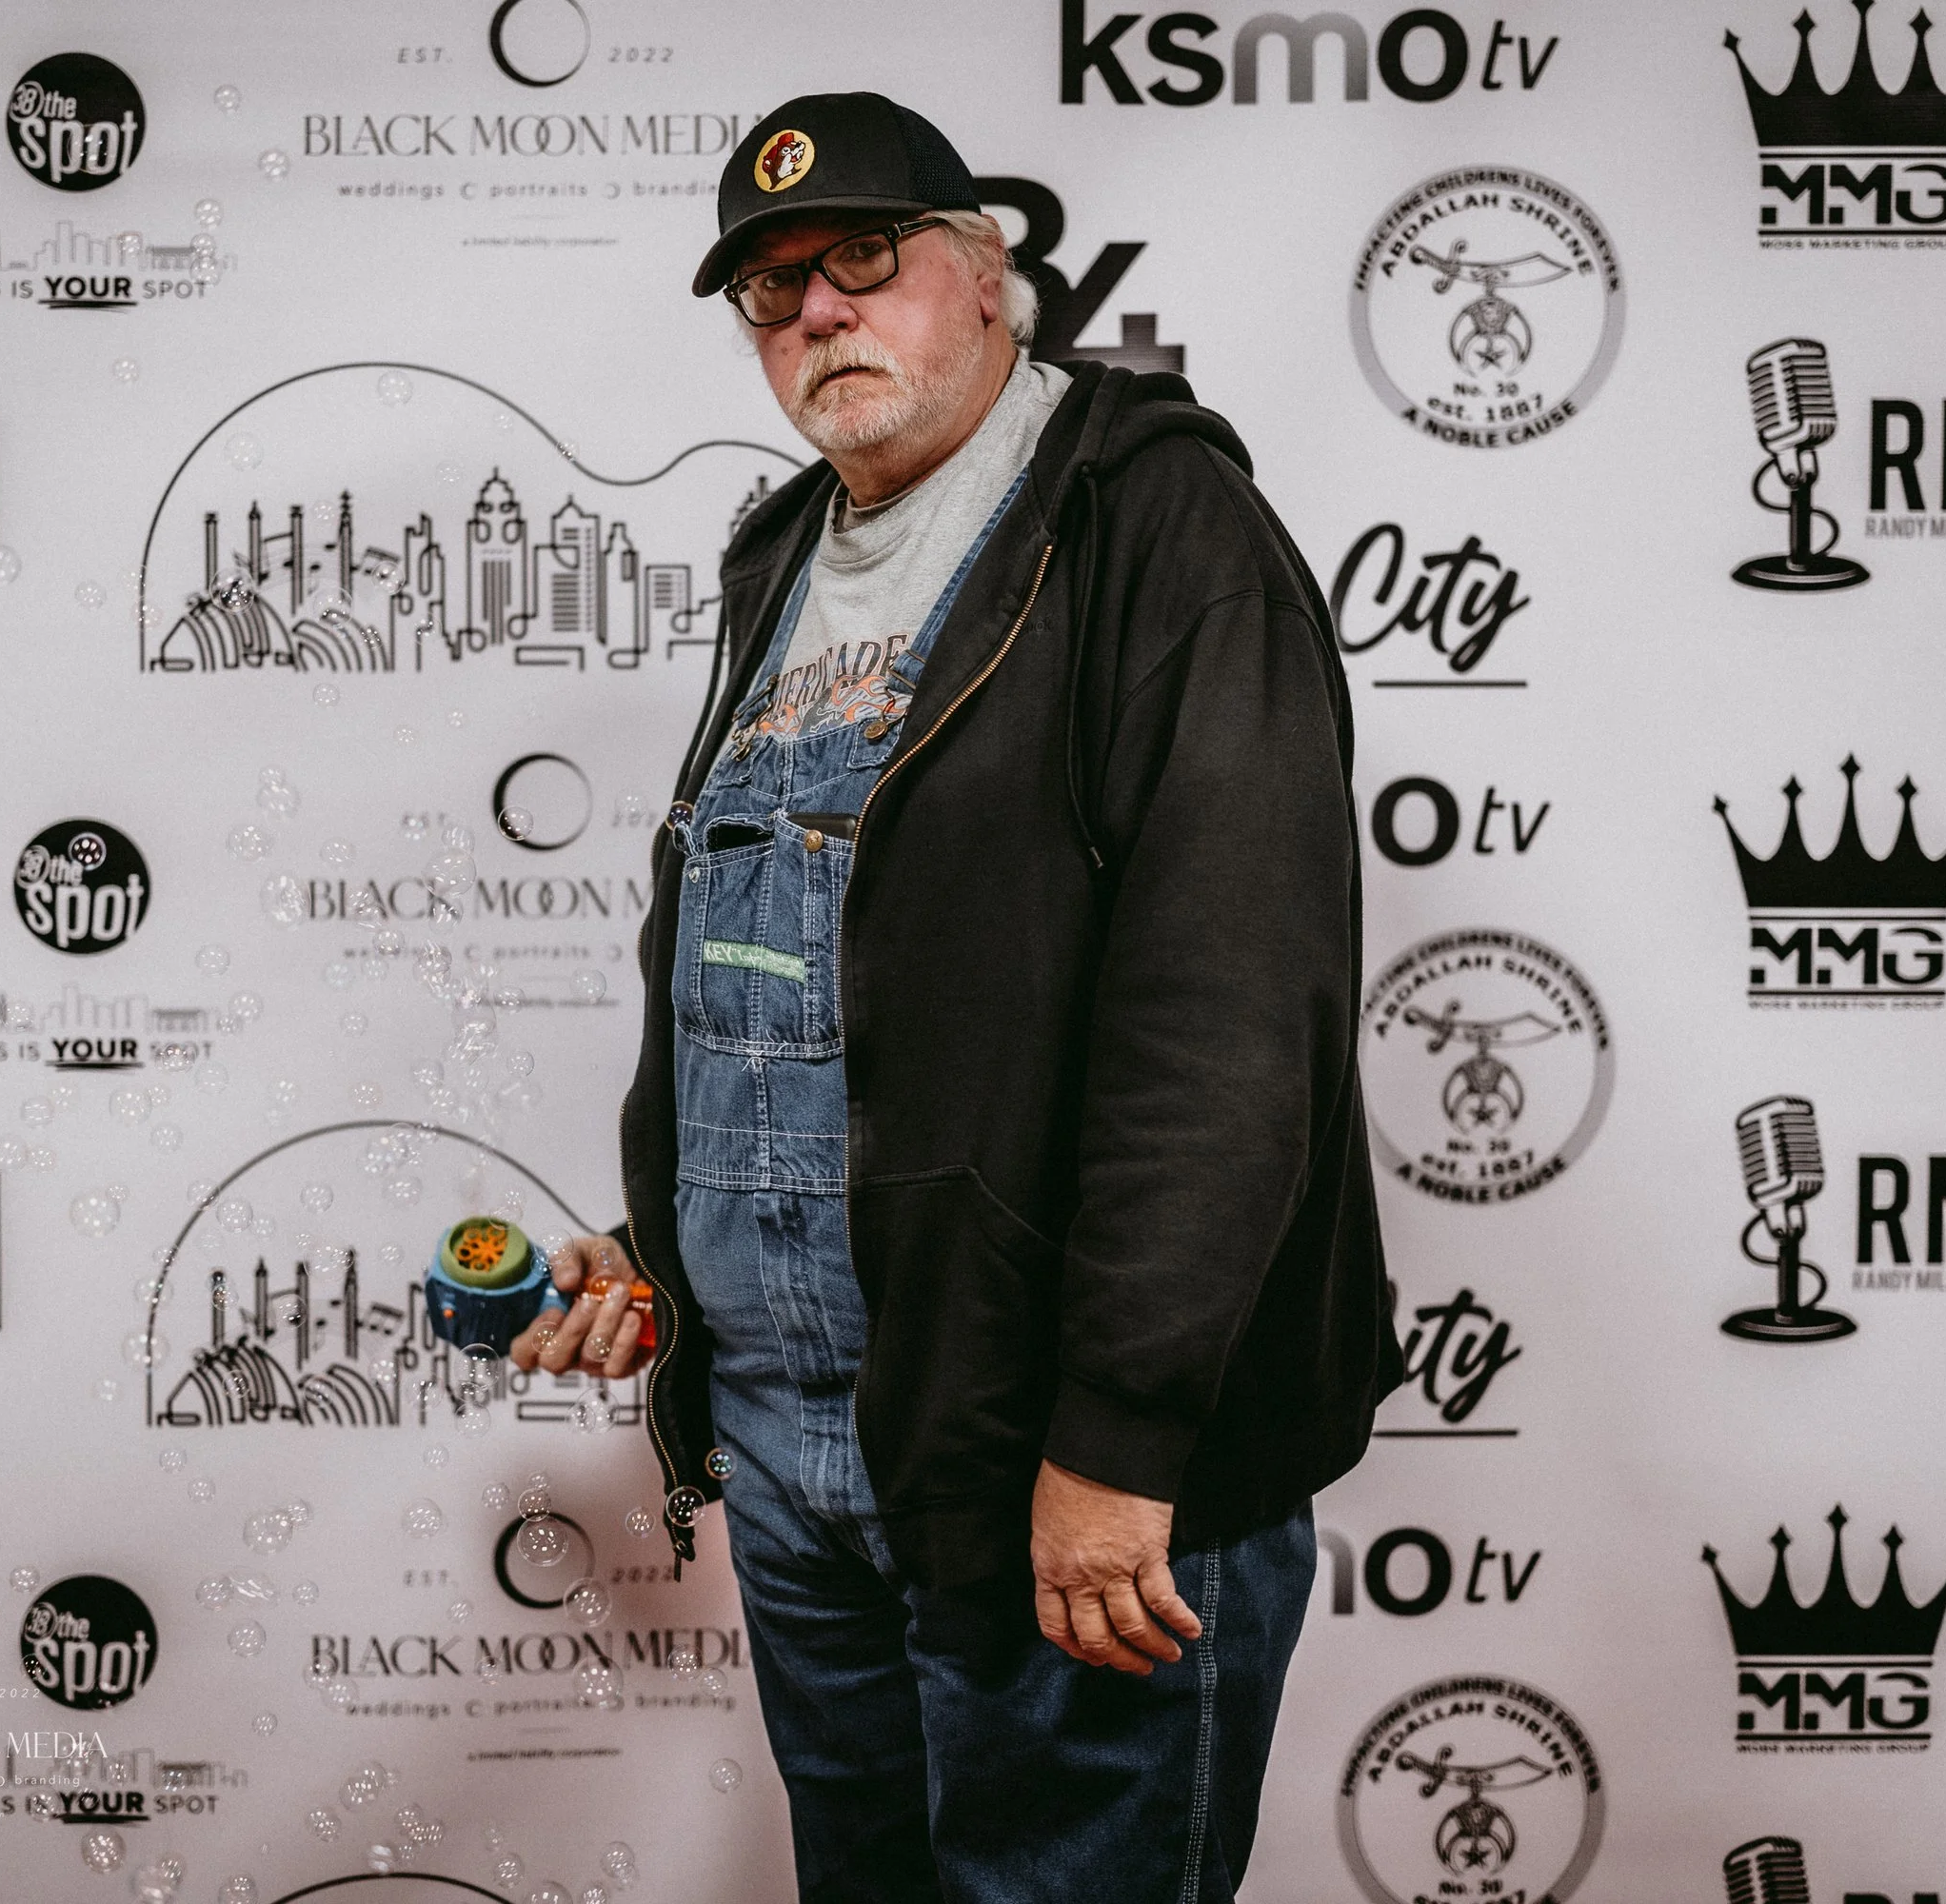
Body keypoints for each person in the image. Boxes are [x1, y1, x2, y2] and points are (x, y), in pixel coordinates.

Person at [511, 90, 1400, 1904]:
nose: (819, 311)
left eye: (864, 258)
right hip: (798, 1454)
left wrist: (1120, 1436)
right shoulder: (784, 559)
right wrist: (665, 1244)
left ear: (986, 275)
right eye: (773, 290)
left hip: (1046, 1459)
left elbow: (1227, 1023)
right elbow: (807, 983)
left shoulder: (1161, 530)